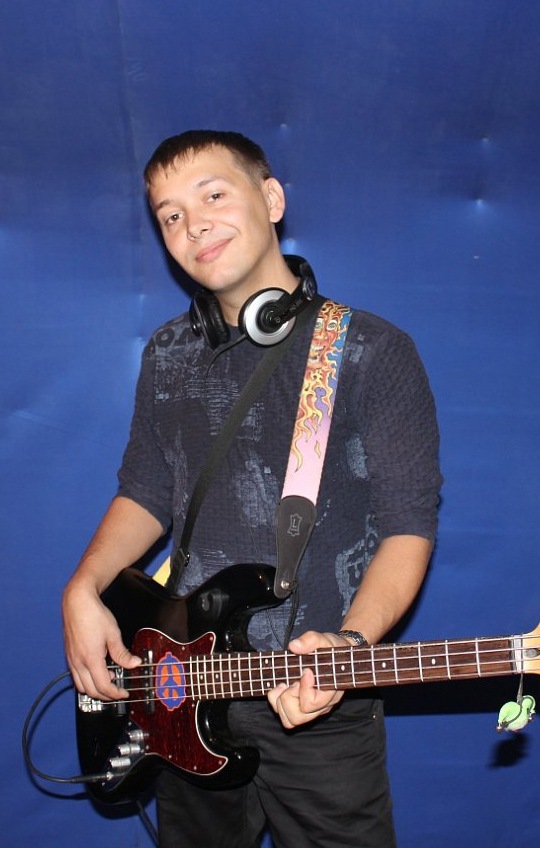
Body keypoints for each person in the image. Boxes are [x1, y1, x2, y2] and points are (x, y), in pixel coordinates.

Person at [62, 130, 442, 847]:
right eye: (170, 215)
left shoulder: (370, 350)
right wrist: (82, 589)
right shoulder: (167, 352)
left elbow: (408, 526)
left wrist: (350, 645)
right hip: (182, 685)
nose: (193, 224)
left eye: (213, 195)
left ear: (271, 199)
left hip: (316, 700)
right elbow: (144, 491)